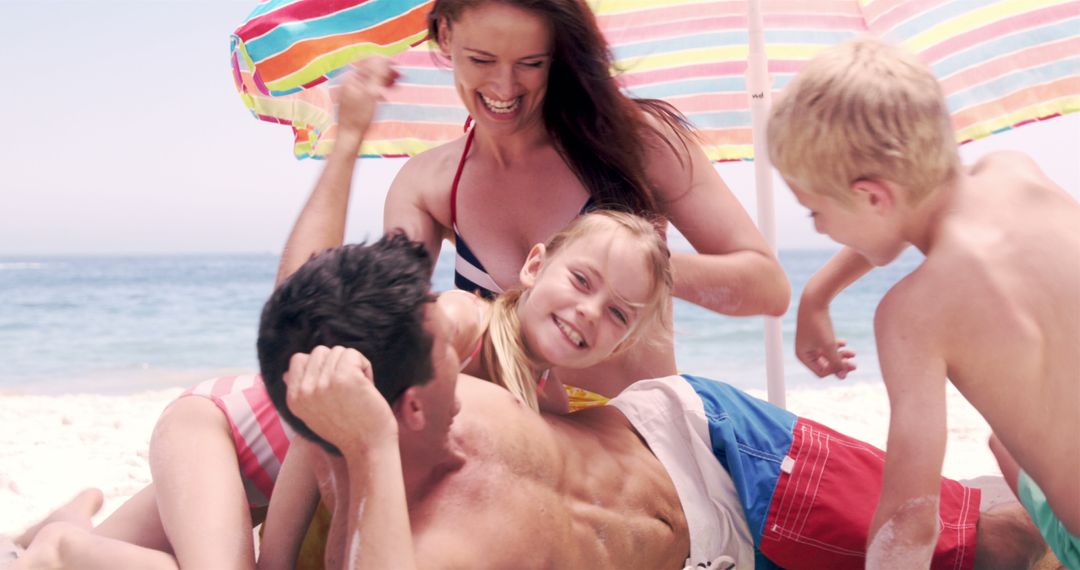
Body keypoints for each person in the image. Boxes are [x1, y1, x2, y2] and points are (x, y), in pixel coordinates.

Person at [257, 238, 1049, 570]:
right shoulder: (418, 533)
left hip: (712, 446)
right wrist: (354, 445)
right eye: (436, 344)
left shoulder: (449, 344)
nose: (454, 319)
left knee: (986, 543)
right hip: (715, 554)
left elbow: (309, 303)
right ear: (399, 413)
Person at [11, 209, 673, 569]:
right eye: (582, 282)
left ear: (629, 340)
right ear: (535, 265)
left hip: (256, 475)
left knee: (128, 550)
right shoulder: (456, 327)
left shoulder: (549, 402)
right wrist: (276, 558)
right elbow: (319, 430)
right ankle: (65, 543)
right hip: (228, 428)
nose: (590, 312)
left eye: (619, 313)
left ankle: (70, 520)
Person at [297, 0, 790, 403]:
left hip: (630, 446)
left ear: (558, 53)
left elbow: (768, 288)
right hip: (513, 443)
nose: (505, 88)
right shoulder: (427, 186)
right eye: (482, 60)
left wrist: (623, 272)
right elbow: (344, 317)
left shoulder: (636, 142)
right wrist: (348, 141)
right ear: (446, 37)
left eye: (531, 64)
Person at [766, 37, 1079, 567]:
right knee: (1008, 446)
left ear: (870, 197)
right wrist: (817, 294)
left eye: (814, 213)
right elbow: (913, 210)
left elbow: (909, 520)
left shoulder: (913, 314)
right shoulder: (1015, 170)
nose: (821, 229)